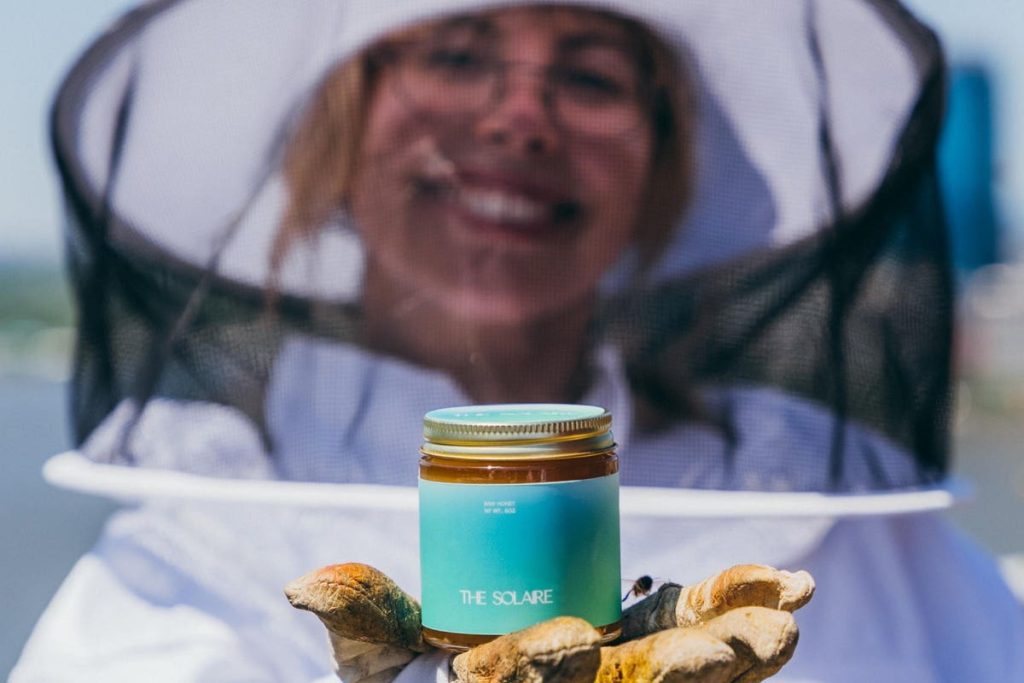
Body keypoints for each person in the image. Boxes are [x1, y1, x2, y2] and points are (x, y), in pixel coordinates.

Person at [12, 0, 1024, 681]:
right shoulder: (184, 548)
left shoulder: (830, 511)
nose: (522, 120)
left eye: (590, 78)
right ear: (341, 131)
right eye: (456, 57)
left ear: (659, 165)